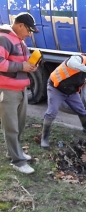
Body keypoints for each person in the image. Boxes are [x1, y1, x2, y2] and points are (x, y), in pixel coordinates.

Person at [0, 12, 38, 174]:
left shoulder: (19, 41)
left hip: (21, 88)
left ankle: (14, 151)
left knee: (20, 124)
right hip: (7, 90)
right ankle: (18, 161)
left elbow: (20, 62)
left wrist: (30, 65)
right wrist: (22, 67)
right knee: (11, 127)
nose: (29, 34)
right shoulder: (4, 38)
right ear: (20, 25)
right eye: (29, 30)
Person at [41, 54, 86, 149]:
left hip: (71, 91)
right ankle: (44, 139)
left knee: (82, 110)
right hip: (56, 88)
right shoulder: (79, 59)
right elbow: (70, 63)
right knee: (52, 112)